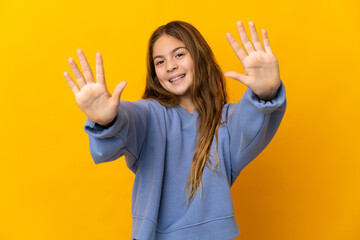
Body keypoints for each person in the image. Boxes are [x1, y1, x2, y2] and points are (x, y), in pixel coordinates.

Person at [64, 20, 287, 240]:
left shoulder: (225, 121)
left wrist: (266, 93)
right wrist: (106, 119)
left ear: (198, 57)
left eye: (179, 54)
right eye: (159, 62)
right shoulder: (150, 114)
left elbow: (251, 122)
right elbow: (130, 119)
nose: (170, 65)